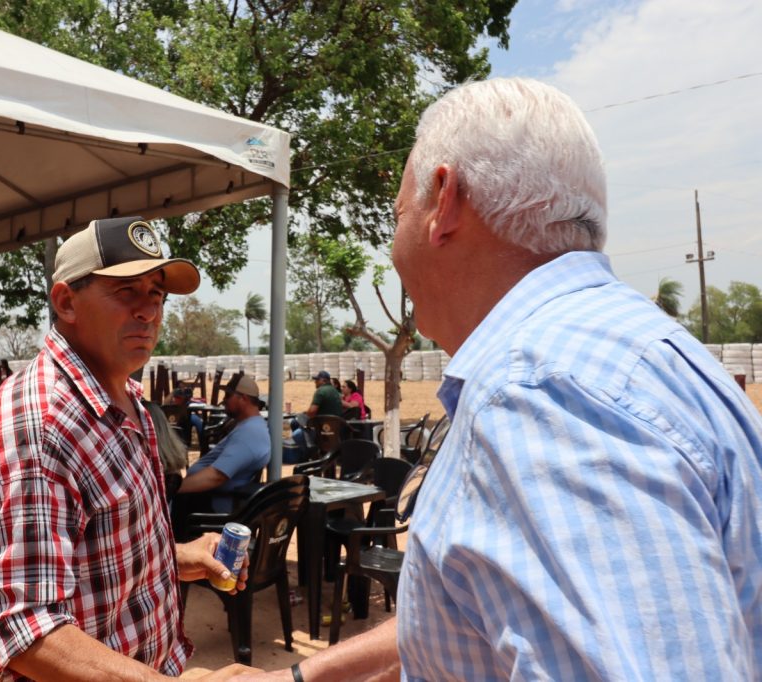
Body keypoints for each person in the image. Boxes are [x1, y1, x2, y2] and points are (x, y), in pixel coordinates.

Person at [235, 77, 762, 682]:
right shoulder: (647, 352)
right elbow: (475, 616)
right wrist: (301, 677)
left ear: (445, 201)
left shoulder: (538, 396)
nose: (393, 243)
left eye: (397, 214)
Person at [0, 216, 256, 681]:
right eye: (126, 291)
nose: (148, 311)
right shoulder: (38, 425)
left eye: (156, 294)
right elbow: (26, 631)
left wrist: (175, 556)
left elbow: (93, 552)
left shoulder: (126, 399)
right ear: (66, 302)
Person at [177, 376, 270, 513]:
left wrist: (173, 489)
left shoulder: (250, 433)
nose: (224, 401)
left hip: (210, 505)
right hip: (205, 497)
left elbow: (217, 477)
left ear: (243, 398)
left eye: (228, 395)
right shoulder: (249, 426)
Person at [288, 370, 343, 457]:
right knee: (297, 421)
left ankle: (310, 452)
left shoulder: (320, 391)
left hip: (321, 425)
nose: (315, 382)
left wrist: (306, 413)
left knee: (297, 429)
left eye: (317, 380)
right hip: (334, 424)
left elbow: (312, 411)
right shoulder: (335, 391)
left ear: (324, 381)